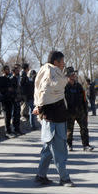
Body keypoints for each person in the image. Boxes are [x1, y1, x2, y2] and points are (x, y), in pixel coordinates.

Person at [33, 51, 74, 187]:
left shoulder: (49, 71)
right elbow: (45, 92)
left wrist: (39, 107)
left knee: (47, 150)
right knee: (59, 150)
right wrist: (39, 107)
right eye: (62, 61)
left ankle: (41, 175)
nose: (64, 64)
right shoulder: (52, 73)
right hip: (54, 119)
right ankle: (64, 178)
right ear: (56, 62)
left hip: (52, 118)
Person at [65, 67, 94, 152]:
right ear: (67, 76)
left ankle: (86, 145)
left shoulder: (79, 86)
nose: (74, 76)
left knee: (84, 128)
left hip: (80, 112)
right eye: (71, 75)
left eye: (74, 74)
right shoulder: (64, 87)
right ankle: (69, 145)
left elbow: (84, 99)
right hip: (69, 112)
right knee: (69, 130)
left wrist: (86, 111)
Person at [0, 65, 20, 137]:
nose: (8, 71)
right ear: (3, 71)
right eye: (7, 69)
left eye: (8, 69)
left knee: (10, 116)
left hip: (10, 99)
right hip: (4, 100)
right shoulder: (0, 79)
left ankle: (10, 131)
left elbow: (12, 88)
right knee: (7, 116)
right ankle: (7, 132)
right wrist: (7, 89)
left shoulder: (9, 79)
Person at [8, 64, 23, 135]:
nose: (18, 71)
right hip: (14, 99)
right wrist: (14, 98)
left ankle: (18, 129)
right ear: (14, 71)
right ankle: (15, 129)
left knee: (18, 115)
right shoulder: (12, 79)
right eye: (17, 70)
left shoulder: (18, 78)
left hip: (18, 99)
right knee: (15, 115)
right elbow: (11, 90)